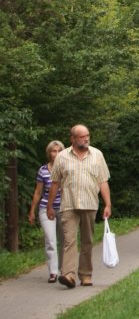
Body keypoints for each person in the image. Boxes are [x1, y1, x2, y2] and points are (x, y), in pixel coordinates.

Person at [47, 124, 112, 289]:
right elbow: (55, 182)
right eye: (82, 137)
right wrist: (49, 206)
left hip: (90, 204)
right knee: (69, 240)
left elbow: (103, 181)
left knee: (87, 241)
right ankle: (68, 275)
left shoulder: (97, 155)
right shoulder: (62, 157)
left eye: (87, 136)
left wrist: (108, 204)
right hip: (68, 204)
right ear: (73, 139)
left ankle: (85, 275)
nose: (86, 139)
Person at [28, 140, 65, 283]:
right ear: (49, 153)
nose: (56, 154)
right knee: (50, 240)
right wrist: (32, 211)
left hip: (63, 208)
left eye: (58, 151)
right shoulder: (43, 170)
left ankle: (64, 269)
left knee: (64, 240)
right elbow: (38, 192)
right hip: (45, 208)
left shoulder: (67, 168)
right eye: (53, 151)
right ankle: (53, 272)